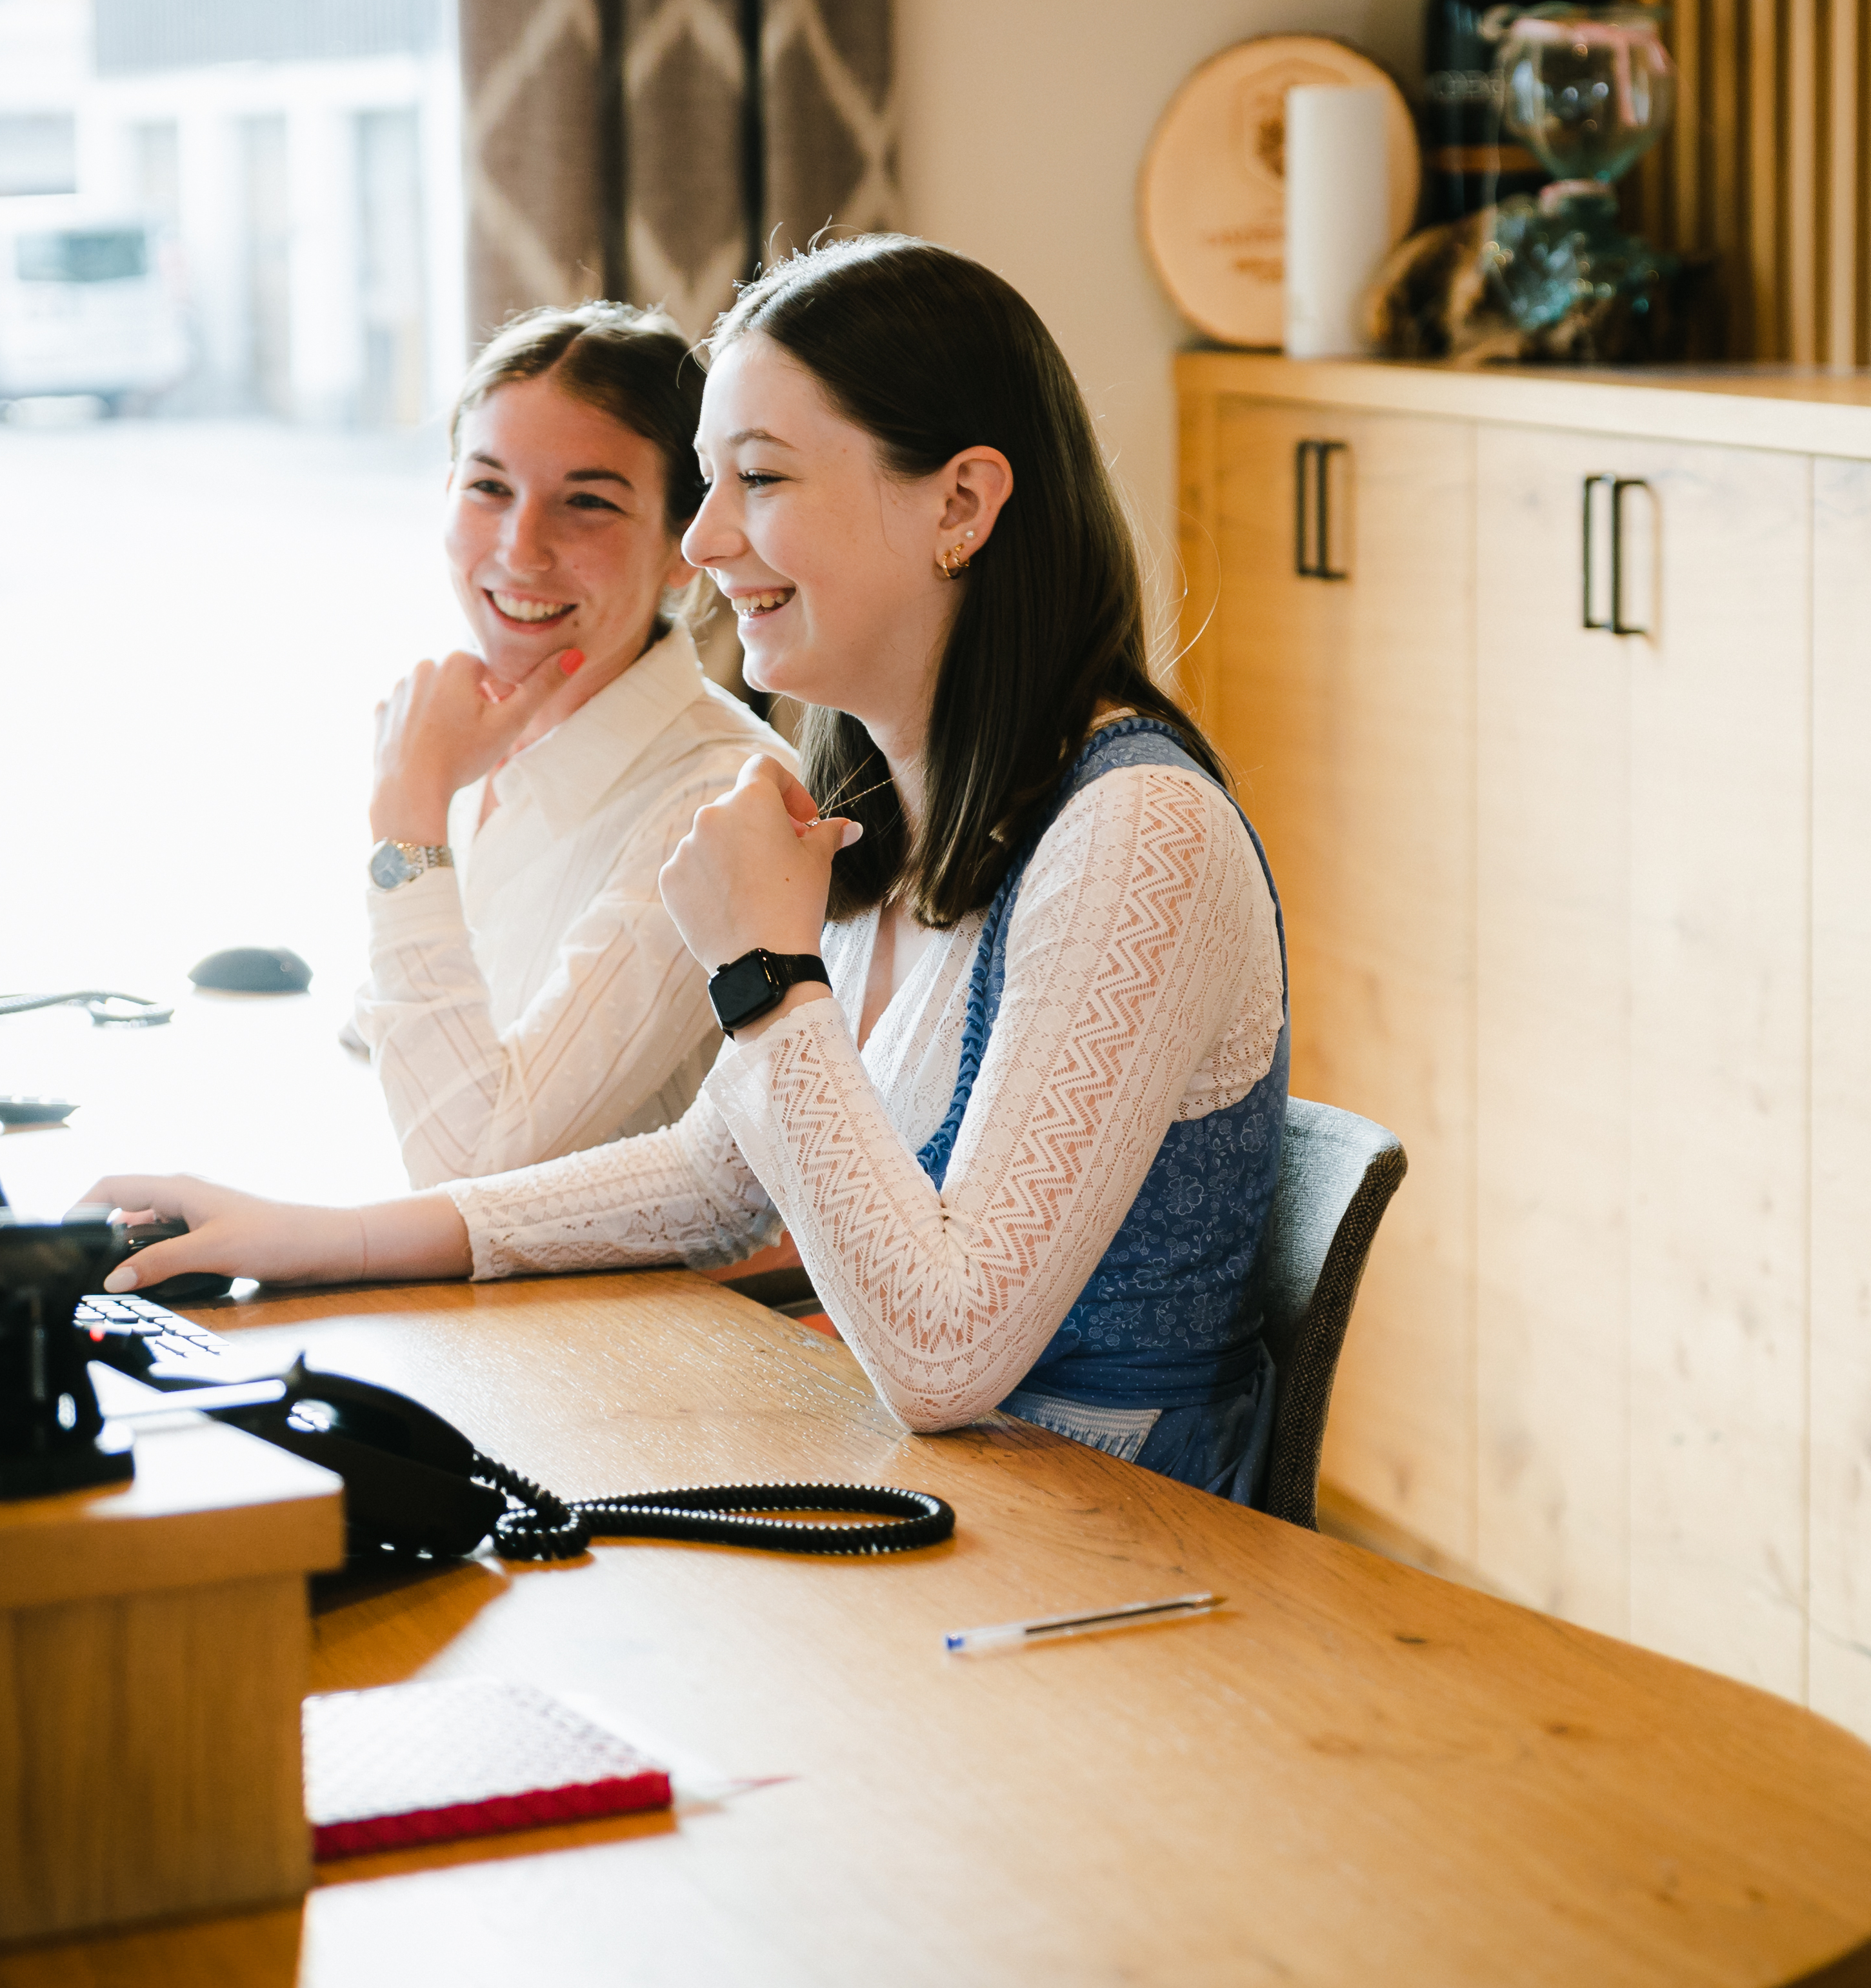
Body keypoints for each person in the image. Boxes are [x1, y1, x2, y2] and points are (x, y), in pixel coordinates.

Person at [93, 237, 1294, 1505]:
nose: (709, 540)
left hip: (1120, 1540)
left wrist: (771, 977)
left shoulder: (1137, 830)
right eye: (710, 482)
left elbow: (948, 1358)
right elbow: (715, 1175)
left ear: (961, 505)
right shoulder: (882, 803)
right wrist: (314, 1240)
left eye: (760, 479)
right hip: (954, 1495)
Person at [346, 301, 792, 1186]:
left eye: (586, 502)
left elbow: (472, 1165)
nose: (521, 549)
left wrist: (408, 817)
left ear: (683, 547)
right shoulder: (473, 743)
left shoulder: (718, 801)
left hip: (623, 1321)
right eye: (488, 487)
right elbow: (388, 1042)